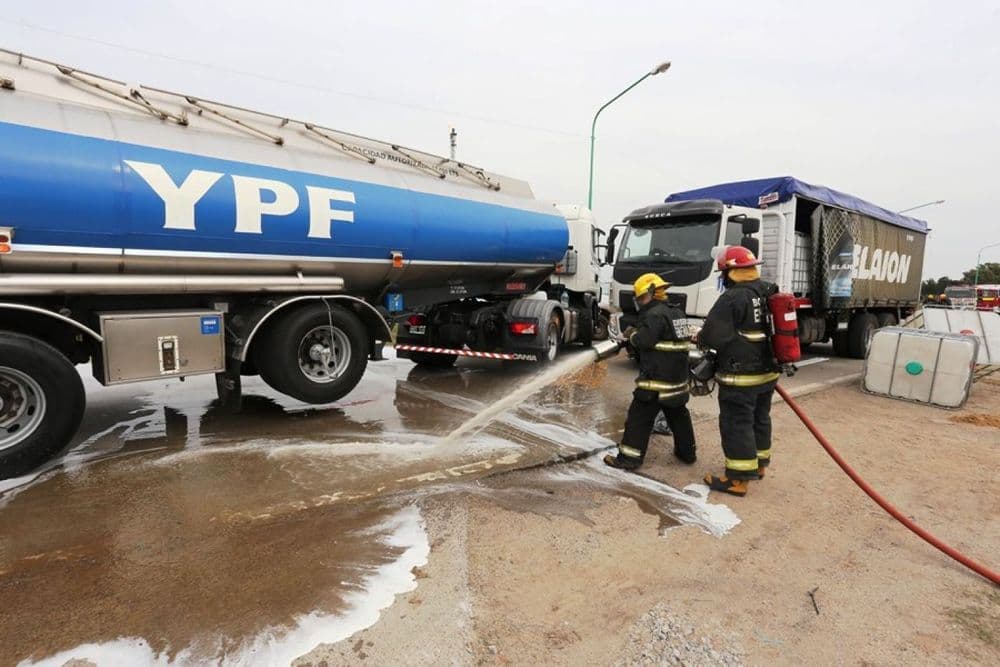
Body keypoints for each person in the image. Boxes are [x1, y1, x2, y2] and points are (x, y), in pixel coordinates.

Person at [696, 246, 779, 497]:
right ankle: (759, 466)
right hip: (768, 372)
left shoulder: (732, 298)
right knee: (760, 418)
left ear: (729, 272)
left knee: (736, 423)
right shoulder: (767, 291)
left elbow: (713, 336)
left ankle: (738, 480)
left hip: (741, 375)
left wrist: (699, 337)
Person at [604, 273, 696, 470]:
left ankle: (629, 459)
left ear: (652, 293)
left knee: (639, 418)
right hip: (677, 380)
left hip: (656, 380)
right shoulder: (676, 312)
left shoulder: (653, 314)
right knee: (678, 416)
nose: (639, 302)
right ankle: (687, 453)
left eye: (640, 298)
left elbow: (644, 341)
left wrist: (633, 335)